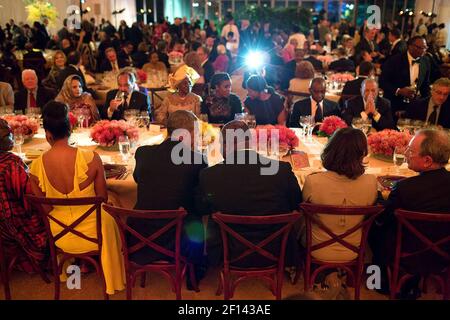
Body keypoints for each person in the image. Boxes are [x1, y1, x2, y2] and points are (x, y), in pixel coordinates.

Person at [29, 101, 125, 295]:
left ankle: (73, 274)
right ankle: (112, 277)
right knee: (114, 211)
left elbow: (46, 210)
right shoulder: (91, 158)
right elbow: (103, 198)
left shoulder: (35, 167)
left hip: (60, 235)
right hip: (95, 232)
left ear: (47, 134)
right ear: (70, 128)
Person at [197, 120, 302, 267]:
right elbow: (297, 204)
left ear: (225, 145)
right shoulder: (282, 170)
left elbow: (202, 209)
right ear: (250, 142)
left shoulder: (209, 175)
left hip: (228, 251)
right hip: (277, 249)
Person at [129, 110, 207, 287]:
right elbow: (200, 201)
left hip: (141, 235)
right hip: (176, 240)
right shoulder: (197, 160)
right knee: (196, 214)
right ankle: (195, 271)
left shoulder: (143, 153)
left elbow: (137, 179)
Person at [369, 129, 450, 299]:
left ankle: (376, 281)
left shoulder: (406, 188)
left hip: (407, 254)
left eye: (411, 151)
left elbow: (383, 218)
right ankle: (414, 284)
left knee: (373, 229)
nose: (405, 153)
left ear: (427, 161)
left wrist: (377, 197)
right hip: (444, 254)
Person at [302, 127, 378, 262]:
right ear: (362, 153)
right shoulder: (371, 182)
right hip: (354, 249)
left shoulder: (313, 181)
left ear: (330, 149)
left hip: (317, 248)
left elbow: (301, 208)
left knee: (298, 219)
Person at [0, 118, 47, 273]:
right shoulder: (10, 164)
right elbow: (30, 200)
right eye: (8, 134)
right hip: (11, 227)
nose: (12, 136)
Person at [379, 36, 431, 114]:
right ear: (410, 46)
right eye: (420, 47)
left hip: (413, 106)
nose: (424, 50)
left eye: (425, 47)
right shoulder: (394, 60)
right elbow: (382, 81)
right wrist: (399, 91)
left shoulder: (425, 61)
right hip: (394, 104)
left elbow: (425, 85)